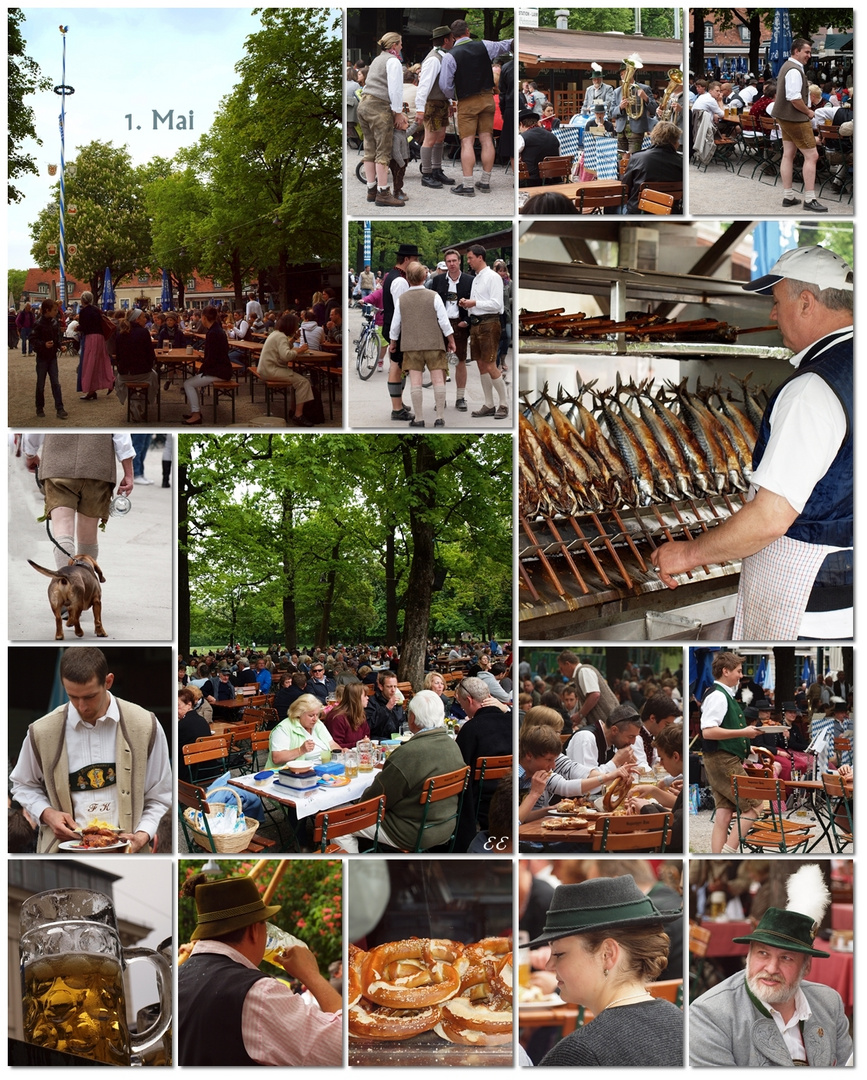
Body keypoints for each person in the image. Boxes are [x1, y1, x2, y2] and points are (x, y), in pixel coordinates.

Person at [655, 246, 853, 640]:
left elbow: (769, 518)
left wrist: (689, 552)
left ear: (807, 303)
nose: (772, 315)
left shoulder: (812, 390)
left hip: (810, 606)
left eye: (778, 302)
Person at [10, 646, 172, 853]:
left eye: (89, 696)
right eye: (72, 696)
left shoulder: (144, 724)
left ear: (109, 681)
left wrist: (143, 834)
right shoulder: (42, 731)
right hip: (63, 852)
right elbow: (23, 784)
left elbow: (160, 793)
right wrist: (47, 814)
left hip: (128, 854)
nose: (81, 706)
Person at [690, 865, 851, 1066]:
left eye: (786, 958)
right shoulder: (709, 1015)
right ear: (748, 956)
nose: (771, 968)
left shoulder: (829, 1002)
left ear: (806, 967)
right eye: (763, 954)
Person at [178, 872, 341, 1066]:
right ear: (255, 930)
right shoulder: (258, 993)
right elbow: (342, 1047)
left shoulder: (177, 976)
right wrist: (311, 975)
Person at [528, 875, 683, 1065]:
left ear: (607, 954)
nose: (549, 966)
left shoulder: (578, 1055)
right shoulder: (684, 1025)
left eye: (559, 953)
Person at [337, 689, 467, 852]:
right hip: (446, 825)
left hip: (411, 832)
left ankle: (354, 874)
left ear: (411, 718)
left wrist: (356, 805)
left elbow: (376, 799)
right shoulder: (452, 745)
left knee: (337, 825)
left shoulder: (410, 753)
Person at [22, 433, 134, 571]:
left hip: (57, 465)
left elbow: (34, 430)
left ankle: (68, 581)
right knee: (89, 532)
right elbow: (122, 436)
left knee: (63, 526)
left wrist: (30, 453)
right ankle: (83, 583)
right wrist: (128, 473)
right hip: (97, 467)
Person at [438, 18, 513, 196]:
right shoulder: (485, 46)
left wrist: (453, 97)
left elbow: (445, 85)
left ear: (452, 36)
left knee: (467, 141)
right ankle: (485, 182)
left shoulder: (450, 56)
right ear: (468, 31)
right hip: (487, 98)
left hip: (467, 101)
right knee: (487, 139)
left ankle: (468, 184)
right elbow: (507, 44)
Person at [697, 651, 763, 853]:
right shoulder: (718, 695)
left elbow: (720, 729)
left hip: (718, 759)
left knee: (724, 814)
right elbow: (708, 732)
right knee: (755, 806)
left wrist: (744, 743)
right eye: (738, 671)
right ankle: (728, 853)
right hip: (723, 761)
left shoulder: (721, 693)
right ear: (725, 671)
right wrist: (743, 732)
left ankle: (716, 857)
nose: (741, 675)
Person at [389, 261, 455, 428]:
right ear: (424, 277)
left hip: (411, 346)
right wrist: (451, 341)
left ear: (408, 278)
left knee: (415, 382)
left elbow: (396, 324)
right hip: (434, 343)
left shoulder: (402, 299)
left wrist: (393, 342)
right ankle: (440, 417)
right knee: (438, 379)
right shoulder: (434, 296)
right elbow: (444, 321)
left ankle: (419, 418)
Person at [775, 38, 828, 212]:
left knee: (788, 154)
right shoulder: (794, 70)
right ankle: (810, 199)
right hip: (796, 118)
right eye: (806, 52)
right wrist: (808, 112)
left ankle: (788, 196)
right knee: (812, 156)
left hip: (785, 117)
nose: (809, 55)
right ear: (796, 51)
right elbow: (794, 98)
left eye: (810, 52)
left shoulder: (786, 67)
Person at [357, 32, 408, 208]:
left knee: (369, 149)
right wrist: (398, 112)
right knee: (383, 151)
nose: (402, 47)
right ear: (394, 45)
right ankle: (383, 193)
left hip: (364, 105)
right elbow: (395, 89)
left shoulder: (377, 59)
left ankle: (371, 190)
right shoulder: (393, 61)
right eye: (400, 44)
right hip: (379, 106)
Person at [455, 676, 512, 827]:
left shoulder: (470, 729)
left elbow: (460, 769)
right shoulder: (512, 722)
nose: (463, 709)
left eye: (462, 704)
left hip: (482, 804)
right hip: (514, 794)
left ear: (469, 700)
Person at [460, 244, 507, 419]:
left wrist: (474, 304)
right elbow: (479, 302)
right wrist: (467, 304)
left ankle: (504, 403)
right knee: (481, 364)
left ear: (480, 257)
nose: (469, 261)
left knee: (489, 364)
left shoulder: (493, 277)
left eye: (471, 258)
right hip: (476, 323)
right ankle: (489, 404)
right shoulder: (477, 278)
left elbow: (497, 304)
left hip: (489, 323)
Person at [429, 248, 473, 411]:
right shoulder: (438, 280)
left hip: (459, 324)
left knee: (460, 361)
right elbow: (432, 303)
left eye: (454, 260)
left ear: (459, 261)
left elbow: (475, 303)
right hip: (441, 324)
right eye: (449, 261)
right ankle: (440, 398)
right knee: (439, 362)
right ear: (445, 263)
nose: (452, 264)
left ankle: (460, 398)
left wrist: (467, 321)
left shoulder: (469, 280)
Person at [256, 313, 315, 426]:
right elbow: (286, 355)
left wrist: (294, 339)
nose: (296, 327)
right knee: (303, 382)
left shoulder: (276, 334)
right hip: (271, 370)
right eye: (295, 325)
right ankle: (298, 415)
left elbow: (284, 347)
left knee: (297, 381)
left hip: (266, 369)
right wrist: (299, 350)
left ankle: (294, 410)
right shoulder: (281, 336)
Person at [416, 25, 456, 189]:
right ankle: (426, 174)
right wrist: (420, 108)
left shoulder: (442, 56)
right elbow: (424, 85)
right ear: (446, 40)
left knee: (440, 137)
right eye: (452, 38)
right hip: (432, 103)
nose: (454, 40)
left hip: (440, 102)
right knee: (430, 138)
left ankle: (436, 169)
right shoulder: (433, 59)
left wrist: (450, 102)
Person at [381, 242, 418, 421]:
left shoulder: (393, 276)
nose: (416, 263)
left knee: (400, 367)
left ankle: (399, 403)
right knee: (396, 367)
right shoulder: (400, 281)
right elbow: (400, 311)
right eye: (415, 259)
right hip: (397, 329)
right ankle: (397, 409)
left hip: (393, 327)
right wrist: (397, 337)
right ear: (406, 259)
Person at [182, 305, 231, 425]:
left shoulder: (213, 332)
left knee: (188, 383)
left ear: (204, 318)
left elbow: (212, 357)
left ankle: (196, 414)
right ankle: (195, 411)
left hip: (219, 371)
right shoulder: (216, 330)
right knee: (192, 382)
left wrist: (202, 369)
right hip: (222, 369)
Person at [621, 121, 683, 214]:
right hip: (670, 213)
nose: (678, 143)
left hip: (639, 212)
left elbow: (625, 188)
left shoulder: (638, 157)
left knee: (611, 206)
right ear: (674, 142)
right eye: (677, 140)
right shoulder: (681, 162)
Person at [264, 694, 339, 769]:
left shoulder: (317, 724)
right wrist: (301, 750)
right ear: (299, 713)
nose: (315, 719)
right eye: (311, 715)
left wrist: (342, 752)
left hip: (324, 767)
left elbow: (332, 744)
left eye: (317, 715)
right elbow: (277, 758)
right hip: (293, 773)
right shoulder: (283, 728)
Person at [556, 649, 618, 730]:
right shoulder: (582, 672)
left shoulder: (583, 671)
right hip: (608, 721)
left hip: (609, 720)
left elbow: (594, 695)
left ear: (568, 664)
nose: (561, 672)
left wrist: (580, 715)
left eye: (561, 668)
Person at [114, 310, 158, 422]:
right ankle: (144, 401)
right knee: (155, 376)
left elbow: (117, 356)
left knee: (121, 378)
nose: (146, 319)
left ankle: (134, 402)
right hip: (143, 374)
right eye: (143, 317)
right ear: (137, 319)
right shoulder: (143, 332)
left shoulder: (120, 333)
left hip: (124, 375)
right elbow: (151, 355)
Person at [30, 298, 68, 419]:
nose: (56, 312)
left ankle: (60, 408)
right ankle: (39, 407)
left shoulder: (54, 322)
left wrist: (59, 346)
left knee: (56, 383)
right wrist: (43, 345)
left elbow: (56, 338)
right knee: (41, 383)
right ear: (47, 310)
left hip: (52, 357)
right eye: (55, 310)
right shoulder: (38, 323)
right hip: (42, 357)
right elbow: (32, 340)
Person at [612, 59, 658, 154]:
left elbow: (654, 109)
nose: (622, 76)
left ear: (632, 73)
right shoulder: (617, 92)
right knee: (621, 159)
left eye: (625, 73)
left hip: (636, 128)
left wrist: (645, 98)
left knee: (634, 157)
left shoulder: (644, 88)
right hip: (621, 129)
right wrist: (620, 107)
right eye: (621, 74)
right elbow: (611, 112)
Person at [76, 291, 114, 401]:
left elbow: (84, 326)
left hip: (90, 338)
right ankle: (105, 382)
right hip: (100, 338)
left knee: (89, 363)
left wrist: (77, 328)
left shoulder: (84, 311)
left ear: (83, 300)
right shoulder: (97, 310)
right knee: (101, 361)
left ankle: (91, 389)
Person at [322, 682, 370, 749]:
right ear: (356, 698)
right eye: (365, 696)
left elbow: (366, 736)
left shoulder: (360, 714)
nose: (368, 698)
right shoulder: (337, 718)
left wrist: (363, 742)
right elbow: (335, 746)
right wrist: (359, 744)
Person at [517, 110, 560, 181]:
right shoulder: (553, 136)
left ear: (521, 124)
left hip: (532, 181)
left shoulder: (522, 137)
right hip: (553, 180)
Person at [364, 669, 406, 740]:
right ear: (381, 687)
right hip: (379, 741)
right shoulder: (371, 702)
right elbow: (369, 726)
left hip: (397, 740)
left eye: (395, 686)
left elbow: (402, 723)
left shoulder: (397, 702)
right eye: (389, 687)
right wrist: (386, 709)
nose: (393, 690)